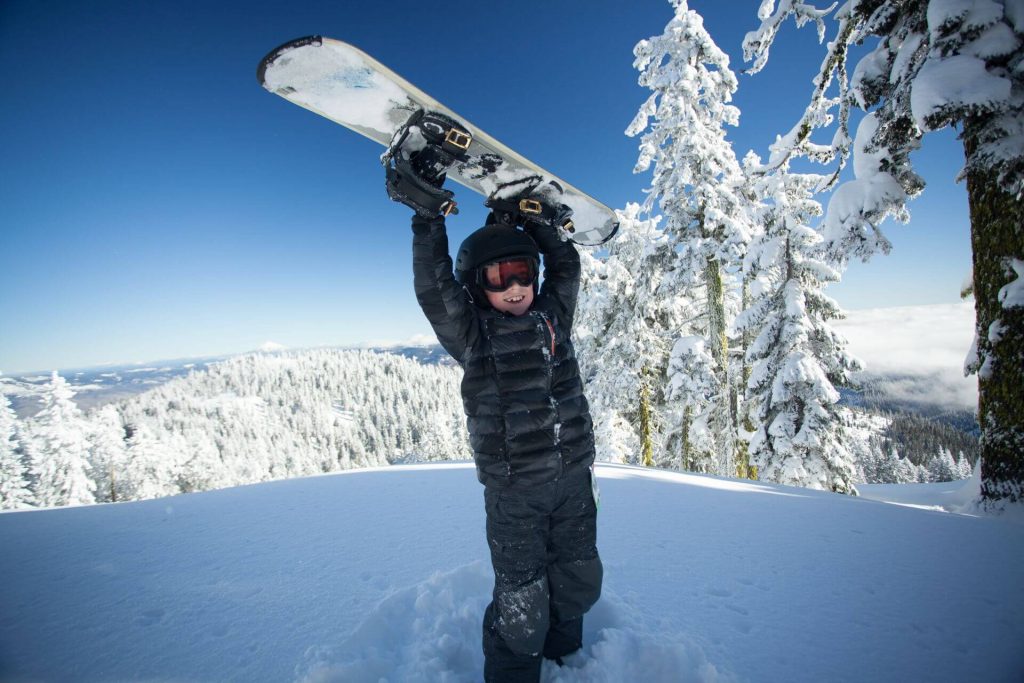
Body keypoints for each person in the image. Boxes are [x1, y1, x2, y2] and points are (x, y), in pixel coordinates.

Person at [410, 208, 603, 682]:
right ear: (477, 286)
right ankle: (515, 674)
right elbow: (435, 291)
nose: (515, 286)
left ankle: (565, 656)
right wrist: (428, 220)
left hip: (574, 479)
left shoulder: (554, 317)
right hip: (516, 495)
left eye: (523, 272)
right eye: (499, 276)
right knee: (523, 600)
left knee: (576, 577)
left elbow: (567, 267)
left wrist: (536, 225)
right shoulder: (474, 336)